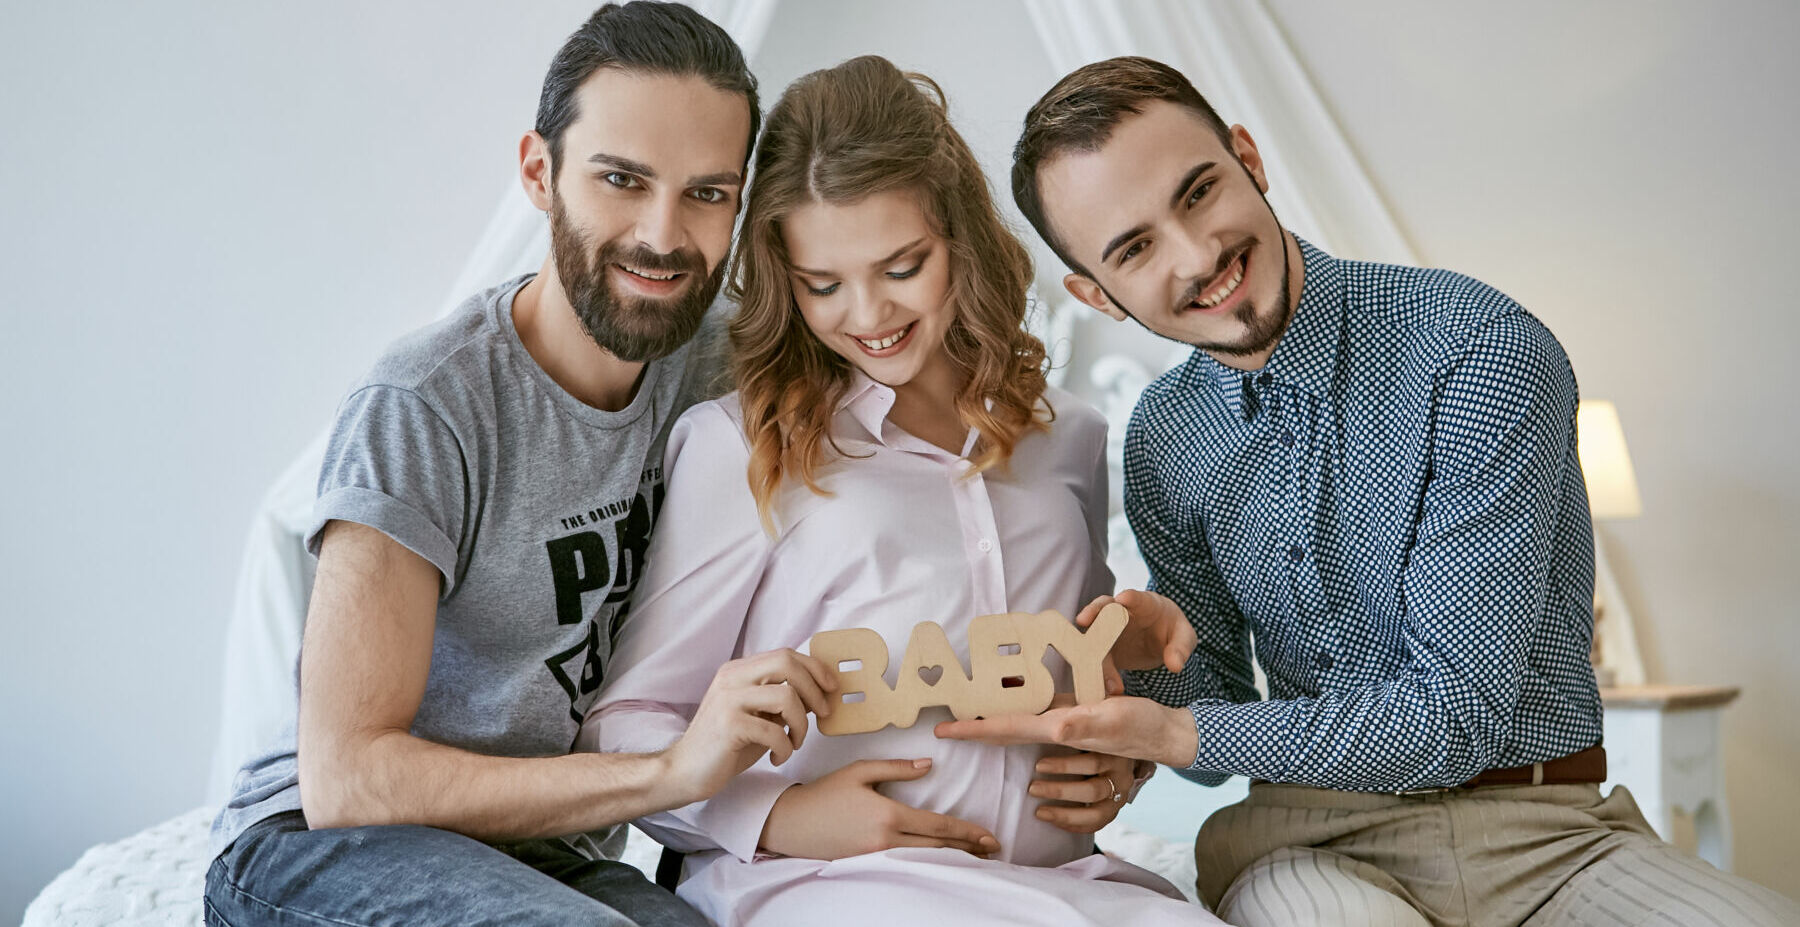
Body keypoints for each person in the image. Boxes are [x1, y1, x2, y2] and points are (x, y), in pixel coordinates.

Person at [937, 55, 1800, 926]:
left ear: (1249, 157)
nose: (1198, 255)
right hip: (1304, 843)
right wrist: (1164, 663)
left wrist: (1173, 730)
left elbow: (1456, 715)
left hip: (1551, 837)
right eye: (1135, 247)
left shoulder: (1479, 349)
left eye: (1198, 193)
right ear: (1099, 294)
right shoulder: (1164, 436)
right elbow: (1211, 732)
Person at [202, 5, 840, 926]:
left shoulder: (722, 369)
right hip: (317, 847)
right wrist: (668, 772)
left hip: (548, 858)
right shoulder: (425, 403)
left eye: (707, 193)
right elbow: (346, 777)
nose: (663, 236)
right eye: (622, 179)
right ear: (540, 174)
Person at [583, 55, 1217, 927]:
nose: (868, 314)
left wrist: (1121, 759)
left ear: (957, 233)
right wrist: (778, 815)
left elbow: (1065, 678)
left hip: (1067, 886)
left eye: (902, 265)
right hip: (830, 891)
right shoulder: (743, 446)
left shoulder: (1069, 437)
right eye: (823, 285)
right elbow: (629, 723)